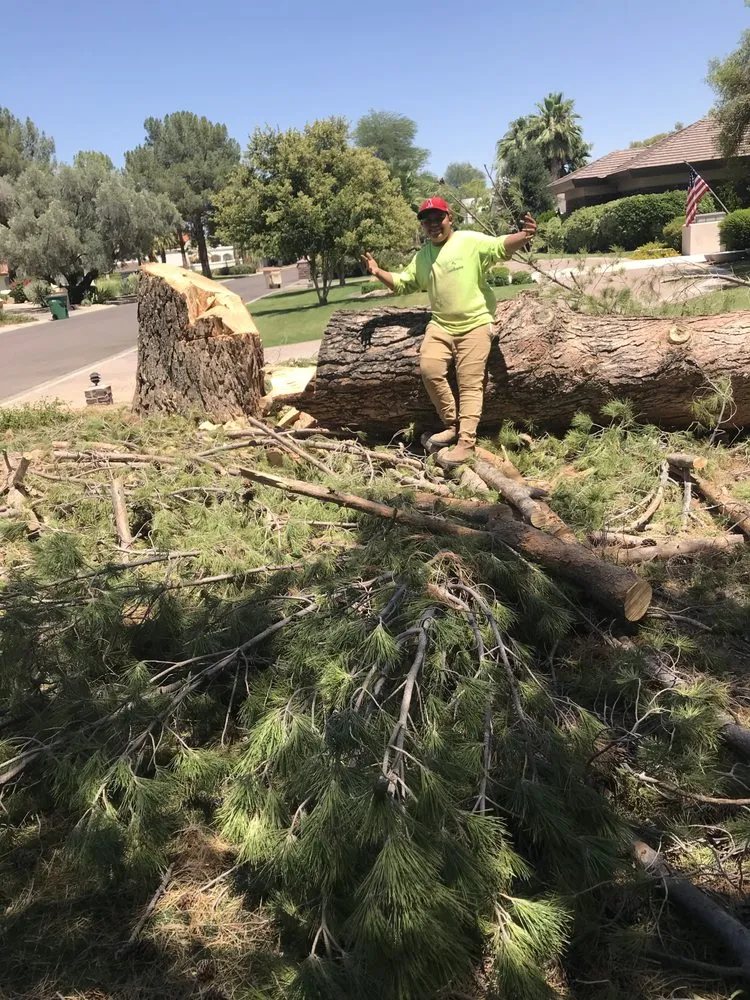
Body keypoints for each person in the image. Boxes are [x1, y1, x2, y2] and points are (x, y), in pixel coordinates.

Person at [362, 196, 536, 465]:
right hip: (441, 324)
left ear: (449, 218)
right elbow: (403, 283)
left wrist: (524, 236)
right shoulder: (423, 257)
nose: (433, 225)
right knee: (430, 369)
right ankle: (452, 425)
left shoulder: (469, 241)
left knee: (469, 382)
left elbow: (501, 246)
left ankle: (466, 443)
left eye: (438, 218)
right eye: (427, 221)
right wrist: (376, 271)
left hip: (475, 322)